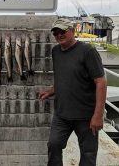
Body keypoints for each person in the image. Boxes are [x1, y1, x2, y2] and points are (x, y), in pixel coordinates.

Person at [39, 18, 107, 166]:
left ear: (72, 31)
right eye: (56, 33)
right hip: (62, 114)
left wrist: (98, 115)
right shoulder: (56, 51)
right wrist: (52, 91)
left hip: (86, 116)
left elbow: (101, 82)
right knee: (54, 145)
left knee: (88, 154)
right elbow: (63, 76)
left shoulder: (88, 51)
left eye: (62, 31)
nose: (59, 35)